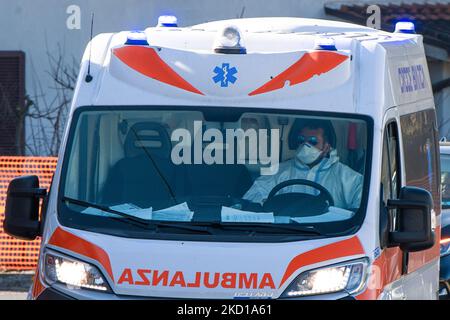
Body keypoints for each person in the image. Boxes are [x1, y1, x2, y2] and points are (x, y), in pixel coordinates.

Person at [243, 119, 363, 210]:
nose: (305, 146)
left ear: (327, 146)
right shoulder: (278, 171)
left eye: (313, 141)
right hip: (282, 235)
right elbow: (252, 199)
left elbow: (361, 207)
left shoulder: (347, 177)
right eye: (301, 140)